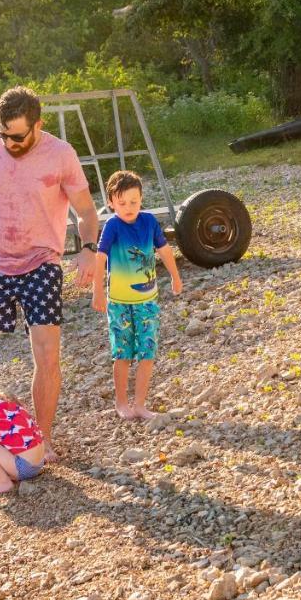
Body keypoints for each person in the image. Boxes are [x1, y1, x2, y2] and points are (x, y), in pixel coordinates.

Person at [0, 86, 99, 480]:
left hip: (40, 264)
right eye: (4, 134)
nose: (9, 142)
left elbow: (85, 211)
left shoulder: (61, 154)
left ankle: (41, 441)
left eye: (18, 136)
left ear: (37, 125)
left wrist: (89, 248)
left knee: (47, 356)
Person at [91, 170, 182, 420]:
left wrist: (175, 276)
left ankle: (140, 404)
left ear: (141, 199)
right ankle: (122, 402)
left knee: (147, 352)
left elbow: (163, 250)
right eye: (122, 203)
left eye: (134, 201)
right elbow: (100, 258)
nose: (128, 207)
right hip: (119, 303)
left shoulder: (149, 222)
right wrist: (97, 291)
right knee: (122, 353)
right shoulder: (112, 225)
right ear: (111, 202)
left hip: (147, 301)